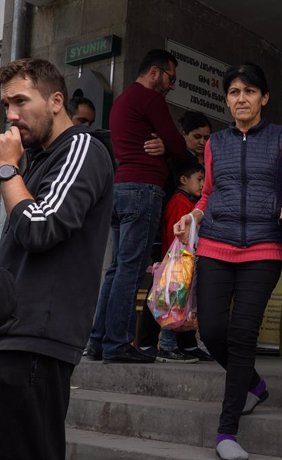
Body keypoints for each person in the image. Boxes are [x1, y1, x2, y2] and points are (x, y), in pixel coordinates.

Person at [0, 58, 114, 459]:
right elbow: (13, 257)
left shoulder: (82, 148)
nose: (12, 116)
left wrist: (6, 168)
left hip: (39, 341)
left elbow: (40, 229)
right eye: (5, 107)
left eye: (20, 101)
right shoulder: (36, 163)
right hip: (7, 337)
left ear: (55, 100)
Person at [174, 62, 282, 460]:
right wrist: (194, 215)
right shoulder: (215, 143)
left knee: (241, 335)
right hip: (216, 245)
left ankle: (226, 431)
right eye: (234, 92)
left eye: (249, 91)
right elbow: (208, 194)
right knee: (213, 331)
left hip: (263, 250)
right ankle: (252, 382)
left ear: (263, 98)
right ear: (227, 100)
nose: (241, 99)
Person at [86, 49, 187, 364]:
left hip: (119, 190)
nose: (171, 86)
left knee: (116, 269)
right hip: (143, 190)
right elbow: (179, 145)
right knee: (130, 271)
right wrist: (167, 146)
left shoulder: (123, 101)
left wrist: (163, 144)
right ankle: (118, 344)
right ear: (155, 72)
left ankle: (99, 342)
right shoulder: (150, 99)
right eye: (171, 78)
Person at [136, 161, 213, 363]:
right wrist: (177, 261)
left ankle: (188, 345)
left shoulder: (189, 202)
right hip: (175, 264)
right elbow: (176, 236)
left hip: (180, 262)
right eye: (199, 179)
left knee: (182, 305)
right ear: (183, 180)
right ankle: (164, 346)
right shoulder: (180, 202)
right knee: (170, 305)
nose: (203, 184)